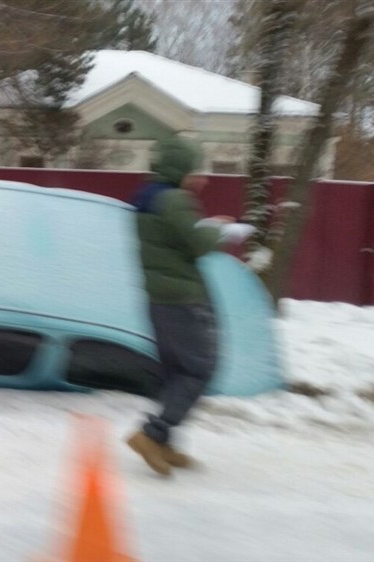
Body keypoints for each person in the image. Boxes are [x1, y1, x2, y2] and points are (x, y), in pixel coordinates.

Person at [126, 136, 228, 477]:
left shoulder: (146, 199)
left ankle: (164, 441)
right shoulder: (176, 201)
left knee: (175, 372)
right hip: (185, 302)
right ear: (180, 169)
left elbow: (175, 241)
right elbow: (199, 243)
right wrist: (220, 229)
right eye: (196, 170)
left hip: (158, 300)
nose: (203, 178)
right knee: (199, 369)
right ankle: (151, 434)